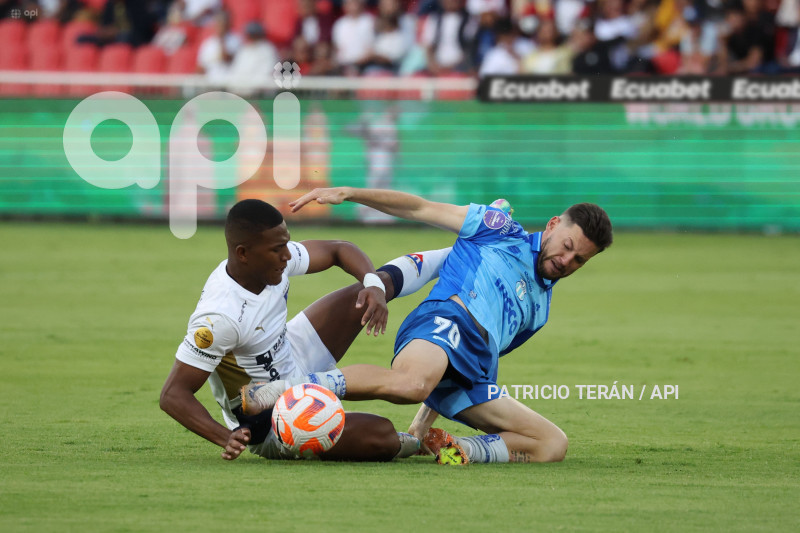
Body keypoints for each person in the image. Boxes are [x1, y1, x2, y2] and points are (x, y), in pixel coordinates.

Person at [242, 188, 612, 466]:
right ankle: (280, 390)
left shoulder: (540, 310)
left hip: (470, 371)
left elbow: (473, 363)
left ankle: (457, 448)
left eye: (579, 260)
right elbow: (418, 207)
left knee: (551, 443)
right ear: (553, 225)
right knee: (411, 384)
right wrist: (350, 193)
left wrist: (420, 428)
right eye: (566, 246)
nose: (566, 260)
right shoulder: (499, 228)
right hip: (445, 321)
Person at [160, 198, 450, 461]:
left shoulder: (271, 260)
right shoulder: (219, 317)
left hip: (293, 350)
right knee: (381, 435)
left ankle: (458, 254)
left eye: (286, 244)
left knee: (375, 285)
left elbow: (339, 249)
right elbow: (173, 394)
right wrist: (225, 437)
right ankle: (413, 442)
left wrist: (373, 286)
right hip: (272, 415)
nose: (287, 255)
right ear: (243, 253)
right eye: (277, 249)